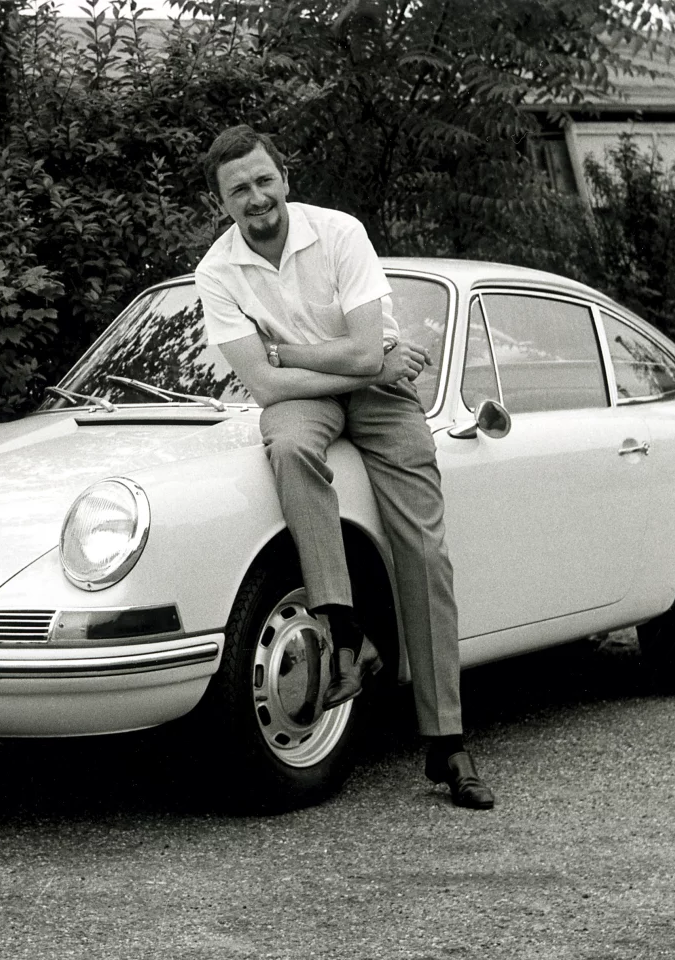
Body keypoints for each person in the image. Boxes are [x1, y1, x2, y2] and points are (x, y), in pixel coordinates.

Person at [193, 124, 494, 810]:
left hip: (382, 396)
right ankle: (343, 625)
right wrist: (331, 364)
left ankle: (447, 744)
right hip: (305, 403)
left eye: (263, 180)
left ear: (285, 179)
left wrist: (291, 355)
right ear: (222, 203)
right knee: (290, 447)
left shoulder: (338, 233)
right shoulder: (216, 271)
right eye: (238, 189)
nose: (256, 197)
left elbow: (361, 360)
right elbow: (264, 392)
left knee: (424, 550)